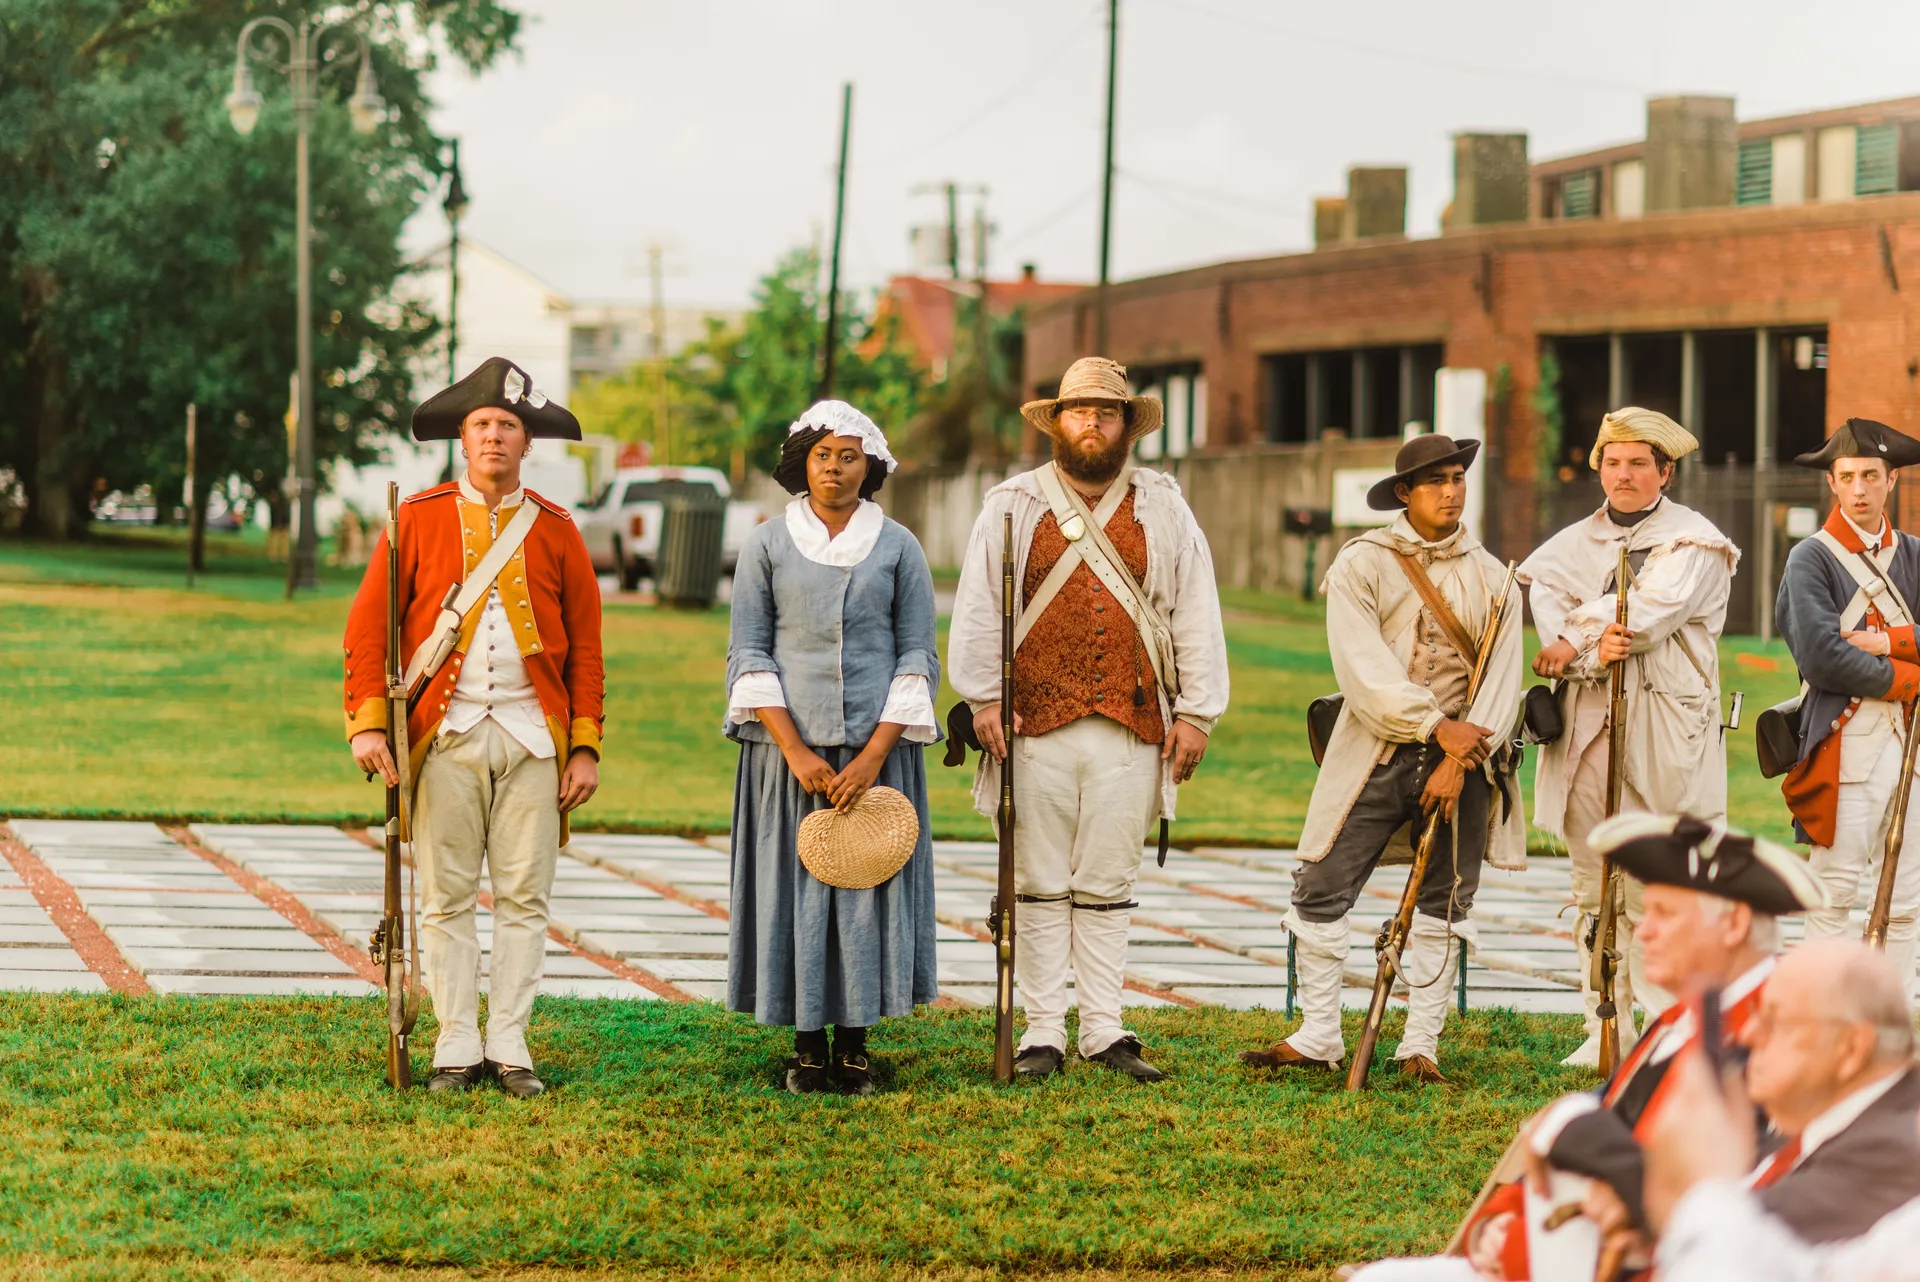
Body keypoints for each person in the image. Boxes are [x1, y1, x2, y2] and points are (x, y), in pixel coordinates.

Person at [1348, 812, 1824, 1281]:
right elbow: (1607, 1120)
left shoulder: (1774, 1034)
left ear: (1734, 925)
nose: (1647, 931)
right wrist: (1501, 1226)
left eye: (1665, 914)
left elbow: (1727, 1200)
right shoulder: (1690, 1018)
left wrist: (1565, 1125)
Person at [947, 356, 1229, 1081]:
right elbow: (979, 605)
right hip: (1032, 721)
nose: (1094, 424)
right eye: (1080, 412)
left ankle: (1104, 1029)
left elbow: (1195, 607)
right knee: (1037, 882)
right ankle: (1043, 1030)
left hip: (1134, 722)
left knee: (1107, 881)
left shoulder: (1163, 504)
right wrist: (982, 697)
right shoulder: (1011, 504)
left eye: (1108, 413)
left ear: (1127, 426)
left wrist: (1197, 711)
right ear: (1057, 422)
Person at [344, 356, 604, 1098]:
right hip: (446, 736)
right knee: (445, 897)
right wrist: (369, 726)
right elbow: (369, 631)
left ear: (527, 443)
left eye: (509, 427)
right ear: (463, 438)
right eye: (483, 425)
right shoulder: (416, 518)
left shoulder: (556, 528)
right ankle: (456, 1041)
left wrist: (582, 745)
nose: (495, 437)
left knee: (525, 898)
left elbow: (586, 648)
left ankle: (510, 1042)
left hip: (532, 741)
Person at [1238, 433, 1523, 1084]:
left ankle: (1420, 1044)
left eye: (1457, 479)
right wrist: (1431, 726)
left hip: (1467, 762)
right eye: (1436, 482)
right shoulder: (1361, 565)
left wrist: (1463, 754)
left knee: (1446, 900)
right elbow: (1361, 668)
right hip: (1377, 749)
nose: (1451, 492)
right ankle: (1317, 1035)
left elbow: (1502, 684)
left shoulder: (1493, 577)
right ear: (1404, 493)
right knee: (1319, 885)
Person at [725, 400, 941, 1096]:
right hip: (789, 759)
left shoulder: (900, 546)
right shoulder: (766, 544)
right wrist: (796, 751)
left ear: (869, 466)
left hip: (876, 754)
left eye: (850, 456)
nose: (836, 469)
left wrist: (875, 754)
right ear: (803, 462)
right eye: (824, 455)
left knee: (865, 888)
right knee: (798, 894)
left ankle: (854, 1043)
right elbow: (749, 653)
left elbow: (916, 653)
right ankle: (805, 1043)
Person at [1519, 408, 1739, 1067]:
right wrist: (1587, 649)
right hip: (1585, 730)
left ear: (1665, 472)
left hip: (1663, 733)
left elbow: (1649, 612)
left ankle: (1668, 1025)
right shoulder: (1563, 550)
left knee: (1657, 883)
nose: (1624, 474)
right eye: (1613, 462)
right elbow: (1551, 621)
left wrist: (1580, 639)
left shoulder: (1695, 544)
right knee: (1594, 882)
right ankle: (1602, 1023)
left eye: (1639, 463)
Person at [1645, 947, 1920, 1281]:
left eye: (1774, 1019)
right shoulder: (1846, 1124)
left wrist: (1701, 1186)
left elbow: (1743, 1259)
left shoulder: (1891, 1154)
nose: (1748, 1033)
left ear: (1851, 1048)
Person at [1775, 417, 1920, 991]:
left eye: (1870, 475)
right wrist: (1910, 678)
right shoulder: (1811, 558)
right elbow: (1821, 658)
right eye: (1847, 476)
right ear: (1832, 484)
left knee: (1907, 899)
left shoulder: (1913, 554)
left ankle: (1889, 1030)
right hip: (1845, 746)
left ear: (1890, 483)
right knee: (1832, 896)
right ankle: (1822, 1021)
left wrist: (1889, 643)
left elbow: (1855, 652)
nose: (1859, 488)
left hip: (1912, 746)